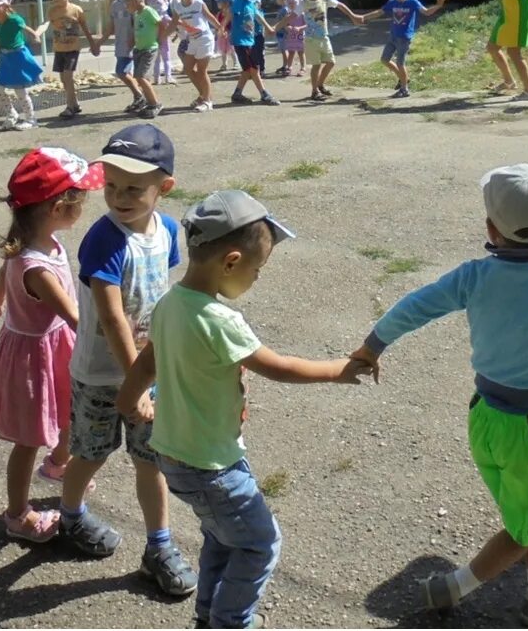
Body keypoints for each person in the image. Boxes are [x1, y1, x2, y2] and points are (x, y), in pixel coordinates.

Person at [348, 164, 528, 627]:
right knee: (527, 523)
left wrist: (371, 346)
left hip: (485, 420)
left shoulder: (474, 276)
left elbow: (414, 306)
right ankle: (455, 587)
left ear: (491, 228)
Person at [118, 190, 369, 629]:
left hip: (176, 457)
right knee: (258, 545)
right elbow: (281, 368)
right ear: (231, 262)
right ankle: (230, 622)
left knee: (222, 538)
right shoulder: (220, 320)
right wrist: (339, 370)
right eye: (257, 270)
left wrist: (129, 398)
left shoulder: (169, 303)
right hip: (212, 466)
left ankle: (208, 616)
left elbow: (148, 360)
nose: (256, 278)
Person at [56, 124, 197, 596]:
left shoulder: (168, 230)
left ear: (165, 188)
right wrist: (132, 384)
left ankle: (159, 545)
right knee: (91, 452)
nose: (120, 197)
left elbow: (164, 295)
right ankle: (71, 516)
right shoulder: (104, 240)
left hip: (149, 372)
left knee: (150, 460)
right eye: (111, 186)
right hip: (102, 376)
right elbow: (113, 318)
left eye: (134, 188)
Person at [0, 148, 105, 543]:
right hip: (35, 357)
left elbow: (5, 266)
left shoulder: (40, 242)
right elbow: (74, 317)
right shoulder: (36, 268)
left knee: (69, 410)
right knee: (28, 438)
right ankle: (17, 515)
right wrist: (120, 339)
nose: (84, 205)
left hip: (54, 348)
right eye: (80, 199)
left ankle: (58, 464)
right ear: (57, 206)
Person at [356, 0, 436, 99]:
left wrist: (439, 5)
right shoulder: (392, 2)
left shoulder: (412, 2)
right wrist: (364, 17)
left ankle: (404, 89)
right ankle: (403, 78)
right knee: (384, 59)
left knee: (400, 63)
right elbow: (380, 12)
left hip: (404, 38)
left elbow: (426, 12)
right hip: (393, 36)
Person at [35, 0, 99, 120]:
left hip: (72, 49)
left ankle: (70, 107)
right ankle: (75, 104)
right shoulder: (52, 10)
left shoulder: (76, 10)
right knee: (64, 79)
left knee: (68, 76)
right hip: (59, 49)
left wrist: (93, 44)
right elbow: (45, 23)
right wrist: (37, 33)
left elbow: (85, 28)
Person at [294, 0, 361, 103]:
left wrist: (353, 16)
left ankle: (320, 84)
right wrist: (276, 26)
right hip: (311, 40)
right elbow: (291, 16)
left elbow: (340, 5)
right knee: (316, 65)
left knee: (331, 62)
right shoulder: (303, 3)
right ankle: (314, 91)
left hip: (324, 38)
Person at [0, 0, 43, 131]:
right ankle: (11, 114)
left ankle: (31, 118)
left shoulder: (15, 20)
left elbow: (26, 28)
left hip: (18, 56)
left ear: (6, 6)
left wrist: (35, 35)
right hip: (5, 58)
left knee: (19, 90)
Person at [168, 0, 223, 112]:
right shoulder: (178, 7)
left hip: (205, 39)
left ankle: (207, 101)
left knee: (201, 71)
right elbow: (174, 22)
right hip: (192, 40)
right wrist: (162, 36)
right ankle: (203, 95)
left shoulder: (199, 3)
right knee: (187, 68)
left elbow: (210, 16)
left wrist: (220, 28)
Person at [229, 0, 283, 106]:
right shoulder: (238, 2)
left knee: (248, 69)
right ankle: (264, 94)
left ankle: (237, 94)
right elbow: (230, 14)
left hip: (250, 40)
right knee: (254, 69)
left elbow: (258, 16)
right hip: (241, 41)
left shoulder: (250, 3)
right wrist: (221, 28)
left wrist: (269, 27)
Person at [101, 0, 145, 113]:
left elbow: (137, 22)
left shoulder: (133, 2)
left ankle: (140, 96)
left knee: (122, 71)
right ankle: (139, 97)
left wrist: (134, 39)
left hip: (131, 44)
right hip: (120, 44)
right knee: (127, 73)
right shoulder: (115, 5)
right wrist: (99, 43)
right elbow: (111, 26)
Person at [119, 0, 165, 119]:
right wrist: (132, 41)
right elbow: (136, 29)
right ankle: (148, 102)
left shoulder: (148, 11)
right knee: (140, 78)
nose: (126, 4)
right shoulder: (136, 14)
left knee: (141, 77)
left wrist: (160, 39)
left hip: (149, 49)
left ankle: (155, 104)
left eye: (129, 1)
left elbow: (161, 24)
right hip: (139, 49)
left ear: (138, 0)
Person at [149, 0, 176, 86]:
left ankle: (156, 79)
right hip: (164, 40)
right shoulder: (165, 16)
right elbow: (175, 22)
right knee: (167, 60)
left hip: (153, 41)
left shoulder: (150, 16)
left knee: (156, 61)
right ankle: (168, 77)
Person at [281, 0, 306, 77]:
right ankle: (289, 67)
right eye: (290, 3)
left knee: (301, 52)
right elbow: (284, 24)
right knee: (291, 52)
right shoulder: (288, 14)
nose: (292, 5)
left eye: (294, 3)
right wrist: (287, 27)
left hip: (299, 36)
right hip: (291, 36)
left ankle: (303, 68)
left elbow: (307, 25)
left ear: (298, 3)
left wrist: (300, 28)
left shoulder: (302, 14)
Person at [213, 0, 236, 74]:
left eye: (219, 2)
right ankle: (224, 64)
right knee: (223, 50)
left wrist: (230, 32)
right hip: (222, 35)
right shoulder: (219, 13)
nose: (217, 3)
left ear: (226, 3)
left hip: (230, 34)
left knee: (232, 49)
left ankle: (235, 63)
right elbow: (216, 22)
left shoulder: (231, 13)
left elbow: (233, 24)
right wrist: (217, 32)